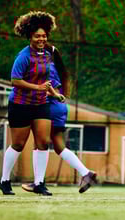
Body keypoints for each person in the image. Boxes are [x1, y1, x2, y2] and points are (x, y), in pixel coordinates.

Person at [21, 43, 98, 194]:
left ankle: (38, 183)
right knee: (58, 146)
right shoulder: (55, 67)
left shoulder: (48, 68)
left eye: (40, 51)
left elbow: (53, 91)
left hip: (51, 107)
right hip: (59, 108)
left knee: (40, 143)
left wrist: (30, 91)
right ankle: (86, 173)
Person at [0, 11, 57, 196]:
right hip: (20, 104)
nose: (41, 38)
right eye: (37, 36)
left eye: (44, 36)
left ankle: (39, 183)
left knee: (43, 142)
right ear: (30, 36)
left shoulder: (47, 55)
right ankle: (4, 181)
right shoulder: (23, 56)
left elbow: (46, 80)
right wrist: (37, 88)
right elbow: (15, 80)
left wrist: (54, 93)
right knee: (18, 143)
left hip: (41, 103)